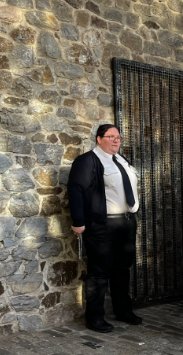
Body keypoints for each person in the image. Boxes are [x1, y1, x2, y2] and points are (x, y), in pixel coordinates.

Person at [68, 124, 141, 333]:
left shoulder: (121, 160)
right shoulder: (88, 160)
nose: (116, 140)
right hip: (103, 224)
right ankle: (94, 318)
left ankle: (123, 311)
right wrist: (78, 221)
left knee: (122, 269)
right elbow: (75, 190)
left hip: (126, 222)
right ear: (99, 139)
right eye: (111, 136)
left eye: (118, 137)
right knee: (99, 272)